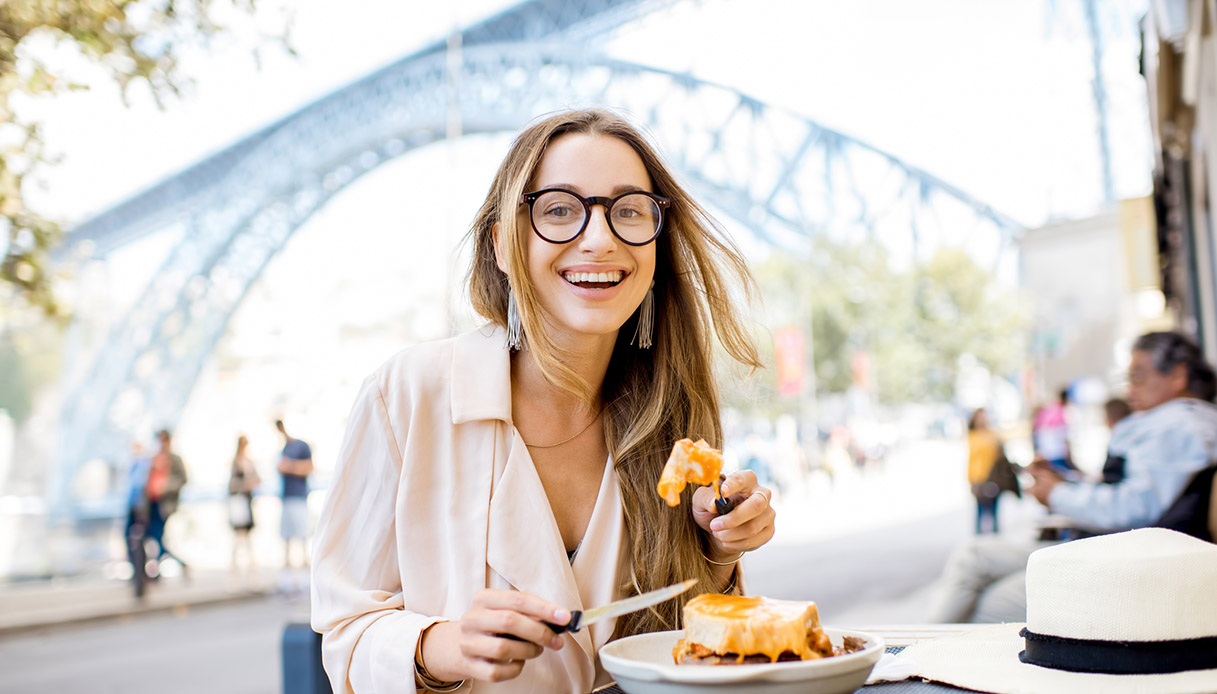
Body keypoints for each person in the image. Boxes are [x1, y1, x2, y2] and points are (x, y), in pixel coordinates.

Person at [311, 109, 776, 693]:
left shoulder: (671, 415)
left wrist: (719, 550)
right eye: (559, 210)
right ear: (504, 243)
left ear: (657, 246)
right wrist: (445, 647)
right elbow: (345, 633)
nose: (600, 239)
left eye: (629, 210)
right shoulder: (407, 393)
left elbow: (691, 648)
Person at [926, 331, 1217, 623]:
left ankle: (913, 660)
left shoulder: (1178, 426)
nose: (1129, 392)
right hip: (1113, 554)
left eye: (1138, 378)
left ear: (1178, 376)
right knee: (974, 558)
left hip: (1126, 570)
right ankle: (913, 658)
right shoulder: (1175, 422)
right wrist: (1062, 483)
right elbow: (1134, 491)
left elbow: (1136, 509)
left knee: (987, 599)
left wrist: (1057, 494)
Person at [143, 429, 189, 576]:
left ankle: (155, 572)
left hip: (165, 505)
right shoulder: (153, 459)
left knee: (157, 536)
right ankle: (162, 568)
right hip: (151, 504)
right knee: (153, 536)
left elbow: (183, 479)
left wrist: (165, 487)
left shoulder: (175, 459)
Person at [276, 419, 313, 591]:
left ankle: (306, 581)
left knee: (303, 538)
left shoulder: (301, 446)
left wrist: (288, 467)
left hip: (298, 498)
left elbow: (308, 467)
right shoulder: (284, 448)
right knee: (287, 540)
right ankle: (288, 583)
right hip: (286, 498)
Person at [228, 435, 260, 582]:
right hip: (238, 503)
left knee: (249, 542)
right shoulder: (236, 463)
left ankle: (252, 575)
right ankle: (234, 575)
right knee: (238, 541)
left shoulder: (249, 462)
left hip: (247, 502)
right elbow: (232, 485)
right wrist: (245, 484)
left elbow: (257, 479)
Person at [966, 409, 1002, 535]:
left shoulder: (992, 434)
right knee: (980, 509)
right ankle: (979, 535)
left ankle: (995, 534)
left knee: (994, 509)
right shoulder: (973, 436)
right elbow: (971, 459)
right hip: (979, 477)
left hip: (994, 477)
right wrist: (971, 479)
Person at [1032, 388, 1074, 475]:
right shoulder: (1061, 412)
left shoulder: (1049, 408)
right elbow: (1063, 436)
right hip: (1056, 452)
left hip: (1045, 450)